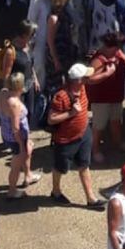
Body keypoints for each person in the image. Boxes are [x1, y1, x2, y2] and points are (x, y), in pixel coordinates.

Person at [87, 29, 125, 164]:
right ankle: (95, 150)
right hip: (101, 99)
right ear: (113, 45)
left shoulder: (117, 53)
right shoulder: (98, 59)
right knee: (99, 126)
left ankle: (118, 142)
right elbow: (90, 79)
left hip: (115, 95)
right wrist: (106, 74)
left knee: (116, 121)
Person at [47, 63, 101, 208]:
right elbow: (51, 119)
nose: (87, 78)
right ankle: (56, 191)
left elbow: (95, 77)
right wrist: (71, 113)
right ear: (78, 80)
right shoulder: (61, 97)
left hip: (83, 134)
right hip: (65, 141)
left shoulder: (82, 88)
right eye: (85, 77)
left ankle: (91, 199)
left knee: (84, 165)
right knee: (60, 168)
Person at [0, 71, 39, 198]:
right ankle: (11, 191)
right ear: (20, 87)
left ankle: (28, 175)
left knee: (29, 150)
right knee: (16, 166)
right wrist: (22, 145)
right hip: (17, 138)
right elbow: (16, 128)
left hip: (7, 134)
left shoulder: (3, 92)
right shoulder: (14, 104)